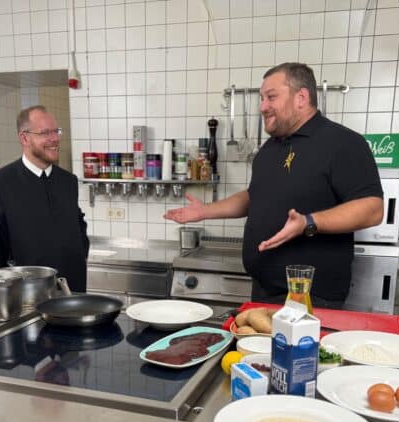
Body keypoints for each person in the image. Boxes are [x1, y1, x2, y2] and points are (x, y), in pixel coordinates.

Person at [164, 63, 384, 308]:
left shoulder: (343, 143)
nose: (263, 107)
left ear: (301, 97)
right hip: (263, 289)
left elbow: (372, 209)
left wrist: (308, 223)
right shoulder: (270, 149)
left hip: (311, 295)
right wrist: (206, 211)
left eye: (271, 97)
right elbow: (254, 196)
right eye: (261, 98)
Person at [0, 105, 89, 292]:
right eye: (45, 133)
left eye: (56, 131)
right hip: (26, 296)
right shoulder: (0, 183)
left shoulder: (68, 181)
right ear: (24, 138)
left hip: (72, 291)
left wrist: (80, 256)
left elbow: (78, 223)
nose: (55, 139)